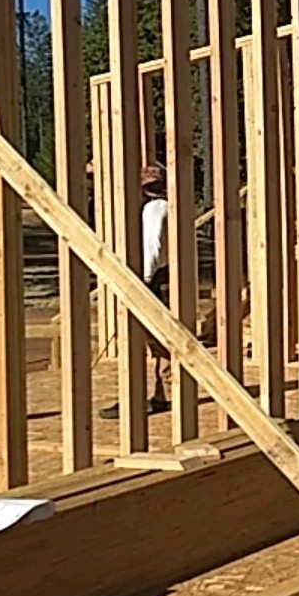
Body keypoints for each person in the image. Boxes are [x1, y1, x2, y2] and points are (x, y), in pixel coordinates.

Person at [102, 164, 172, 419]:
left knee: (142, 338)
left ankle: (138, 398)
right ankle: (165, 394)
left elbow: (153, 247)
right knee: (162, 340)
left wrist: (143, 279)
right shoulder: (169, 207)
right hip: (163, 278)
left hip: (152, 280)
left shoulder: (154, 209)